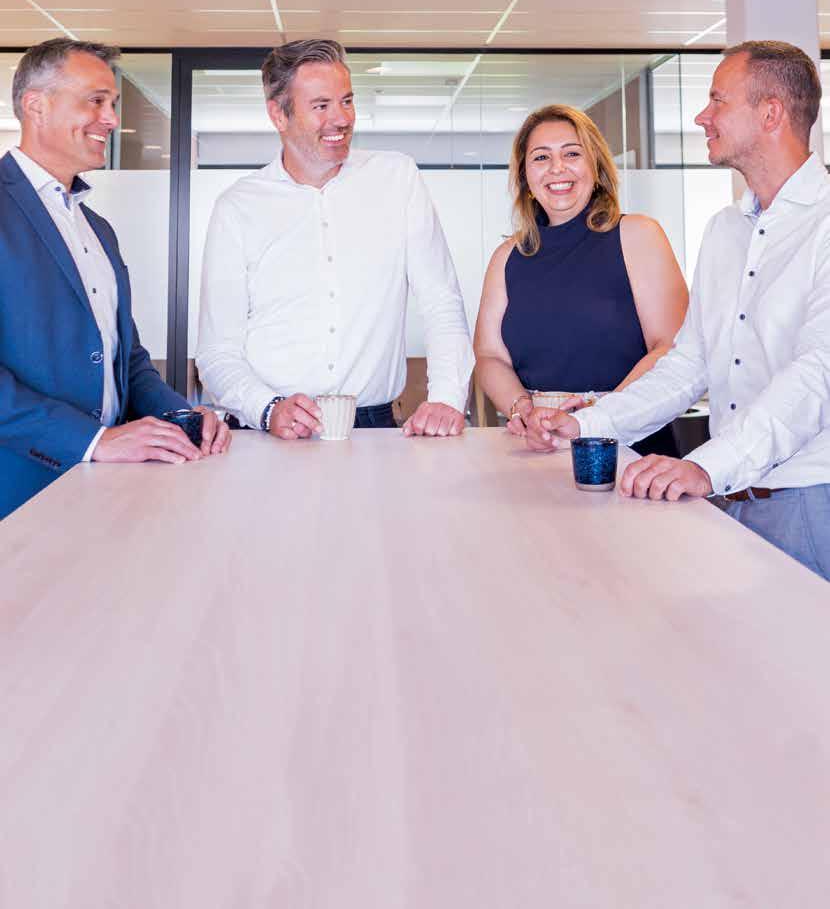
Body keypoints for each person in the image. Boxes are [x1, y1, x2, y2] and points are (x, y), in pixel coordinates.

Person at [535, 41, 830, 579]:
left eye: (718, 100)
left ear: (771, 114)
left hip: (810, 502)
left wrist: (704, 466)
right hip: (731, 501)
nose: (702, 116)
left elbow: (816, 377)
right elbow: (689, 364)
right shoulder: (725, 230)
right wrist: (585, 425)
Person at [0, 39, 231, 520]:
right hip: (18, 490)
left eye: (113, 103)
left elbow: (125, 358)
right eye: (95, 101)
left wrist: (182, 415)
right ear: (36, 106)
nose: (110, 119)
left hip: (103, 492)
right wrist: (93, 440)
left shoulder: (97, 229)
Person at [196, 38, 473, 439]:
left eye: (347, 101)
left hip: (371, 429)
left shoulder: (397, 179)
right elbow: (217, 352)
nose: (341, 118)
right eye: (321, 106)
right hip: (268, 430)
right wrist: (267, 408)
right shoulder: (237, 207)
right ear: (278, 114)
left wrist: (447, 397)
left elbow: (441, 301)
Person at [474, 104, 688, 453]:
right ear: (526, 176)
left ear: (596, 166)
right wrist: (523, 411)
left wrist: (595, 419)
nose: (557, 167)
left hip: (627, 442)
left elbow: (670, 346)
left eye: (572, 153)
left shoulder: (639, 235)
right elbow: (489, 355)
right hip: (538, 444)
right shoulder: (506, 257)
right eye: (541, 157)